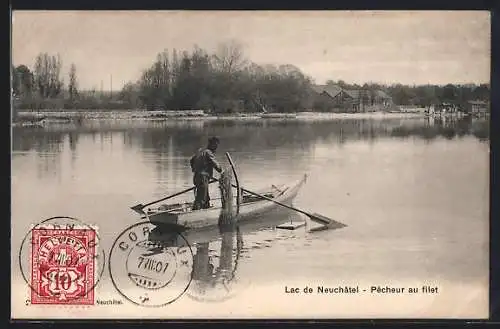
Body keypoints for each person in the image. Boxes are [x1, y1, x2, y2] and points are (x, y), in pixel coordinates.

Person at [190, 137, 223, 210]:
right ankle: (195, 214)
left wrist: (195, 169)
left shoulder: (200, 151)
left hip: (196, 177)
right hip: (203, 178)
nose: (216, 148)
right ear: (212, 144)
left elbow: (191, 160)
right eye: (216, 145)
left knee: (205, 197)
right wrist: (222, 171)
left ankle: (206, 210)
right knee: (201, 198)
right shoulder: (208, 153)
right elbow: (215, 164)